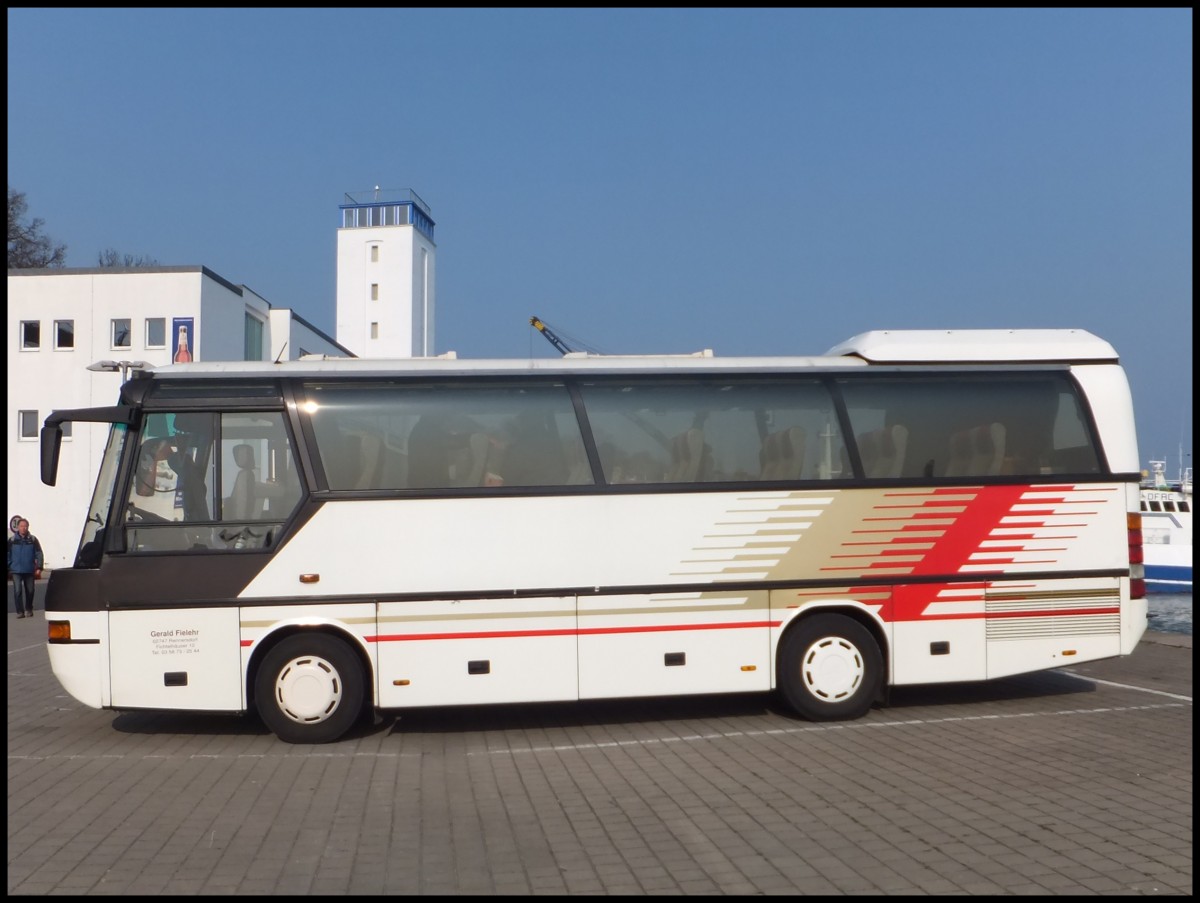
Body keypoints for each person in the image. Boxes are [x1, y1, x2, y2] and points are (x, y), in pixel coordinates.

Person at [7, 518, 44, 619]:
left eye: (25, 526)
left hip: (29, 569)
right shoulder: (12, 541)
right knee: (17, 591)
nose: (24, 528)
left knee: (30, 591)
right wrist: (9, 566)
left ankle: (28, 609)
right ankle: (20, 611)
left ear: (28, 527)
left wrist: (39, 567)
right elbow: (8, 554)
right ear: (18, 528)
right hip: (16, 570)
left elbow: (39, 553)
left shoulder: (32, 540)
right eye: (22, 526)